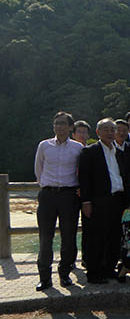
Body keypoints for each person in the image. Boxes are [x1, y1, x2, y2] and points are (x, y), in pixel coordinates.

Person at [33, 111, 82, 290]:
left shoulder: (78, 148)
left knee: (69, 237)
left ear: (70, 127)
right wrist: (47, 186)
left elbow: (80, 172)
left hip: (69, 196)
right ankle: (45, 278)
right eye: (56, 123)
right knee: (45, 237)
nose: (59, 127)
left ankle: (65, 273)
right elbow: (38, 170)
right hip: (47, 196)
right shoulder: (44, 146)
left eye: (62, 123)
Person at [78, 118, 128, 283]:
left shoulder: (120, 152)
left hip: (118, 199)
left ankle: (109, 269)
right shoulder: (89, 152)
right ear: (98, 132)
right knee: (96, 238)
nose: (109, 133)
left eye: (112, 130)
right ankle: (93, 272)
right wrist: (86, 202)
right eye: (105, 129)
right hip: (98, 201)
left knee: (114, 236)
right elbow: (84, 179)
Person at [114, 119, 130, 187]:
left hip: (129, 186)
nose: (121, 133)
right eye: (118, 130)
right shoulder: (109, 148)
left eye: (124, 131)